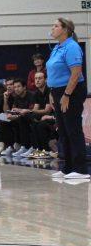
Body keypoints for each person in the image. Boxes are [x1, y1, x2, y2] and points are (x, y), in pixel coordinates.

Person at [46, 17, 88, 180]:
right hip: (57, 91)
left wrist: (66, 95)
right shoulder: (57, 48)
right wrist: (52, 91)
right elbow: (54, 72)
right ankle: (68, 168)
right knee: (63, 131)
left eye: (56, 26)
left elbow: (76, 73)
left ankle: (81, 169)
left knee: (73, 129)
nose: (53, 28)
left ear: (65, 29)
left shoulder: (72, 47)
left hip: (72, 91)